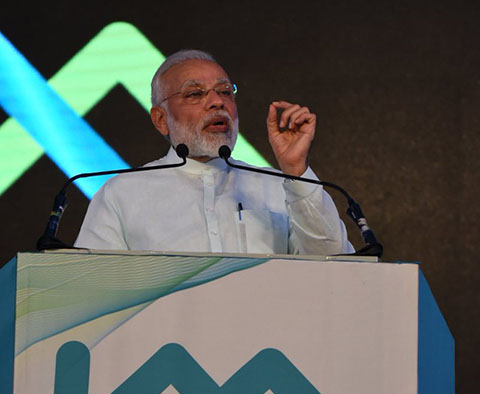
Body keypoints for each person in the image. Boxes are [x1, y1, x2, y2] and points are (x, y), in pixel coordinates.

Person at [75, 50, 353, 255]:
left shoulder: (278, 186)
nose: (217, 102)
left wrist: (295, 171)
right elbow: (93, 293)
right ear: (161, 119)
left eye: (224, 92)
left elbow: (334, 266)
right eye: (195, 94)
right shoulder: (122, 194)